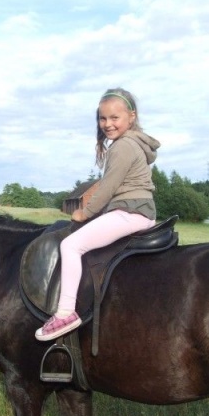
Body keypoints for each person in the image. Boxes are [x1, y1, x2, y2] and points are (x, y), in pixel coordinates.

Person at [36, 88, 160, 341]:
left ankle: (65, 313)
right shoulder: (133, 143)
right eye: (103, 119)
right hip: (139, 210)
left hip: (129, 211)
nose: (108, 124)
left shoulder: (123, 146)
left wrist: (86, 212)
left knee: (70, 245)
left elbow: (108, 187)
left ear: (131, 117)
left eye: (115, 118)